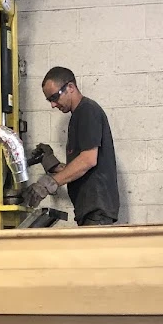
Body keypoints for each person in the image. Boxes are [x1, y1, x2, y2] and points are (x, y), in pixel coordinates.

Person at [23, 66, 119, 226]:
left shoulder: (87, 111)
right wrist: (52, 164)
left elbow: (88, 160)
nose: (53, 105)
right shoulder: (78, 116)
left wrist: (48, 184)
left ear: (71, 87)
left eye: (54, 97)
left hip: (97, 211)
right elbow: (81, 167)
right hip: (90, 211)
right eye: (49, 100)